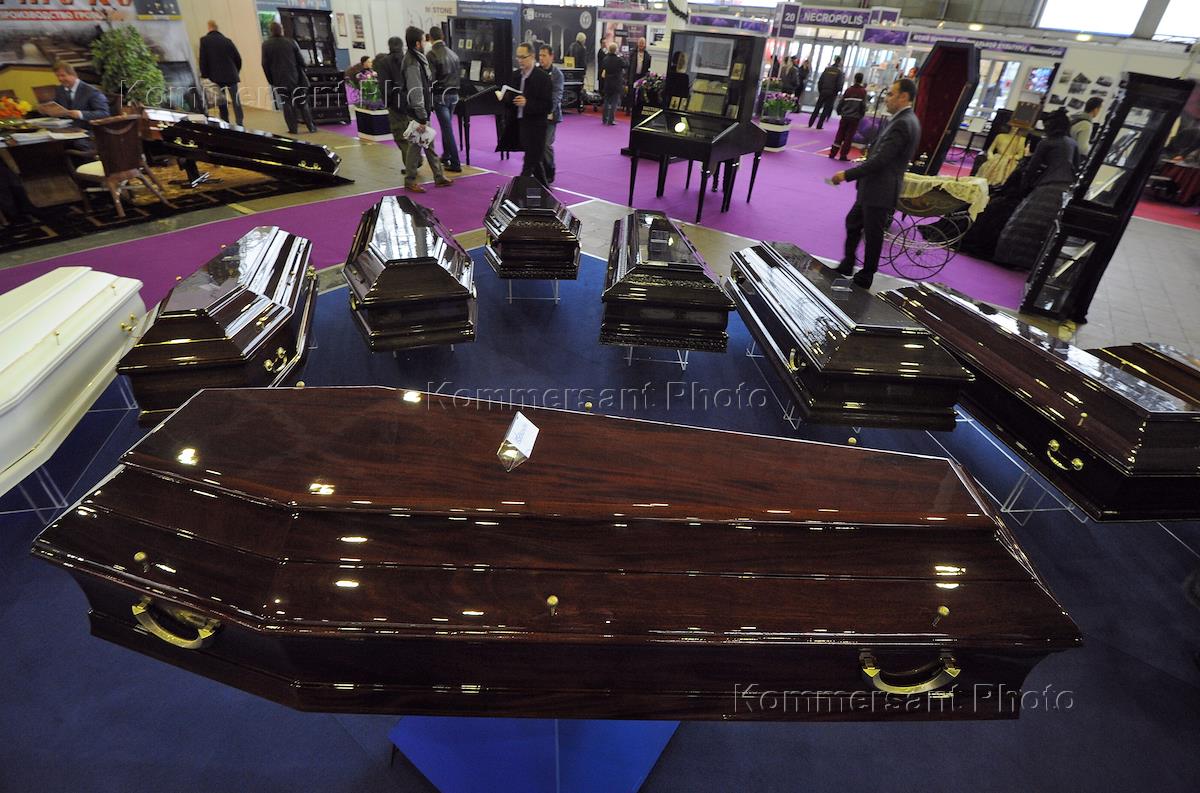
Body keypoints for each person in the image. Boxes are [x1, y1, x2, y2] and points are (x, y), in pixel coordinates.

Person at [829, 78, 921, 289]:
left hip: (880, 189)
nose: (886, 98)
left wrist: (847, 174)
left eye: (891, 94)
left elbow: (881, 160)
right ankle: (848, 264)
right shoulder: (905, 120)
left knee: (873, 234)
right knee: (853, 222)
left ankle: (866, 275)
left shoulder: (903, 123)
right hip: (874, 188)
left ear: (904, 96)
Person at [994, 109, 1079, 270]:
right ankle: (1033, 263)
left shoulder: (1047, 142)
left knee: (1021, 223)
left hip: (1047, 185)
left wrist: (1022, 188)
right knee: (1047, 228)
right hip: (1066, 189)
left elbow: (1031, 169)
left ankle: (1011, 258)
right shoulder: (1072, 143)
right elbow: (1076, 167)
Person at [394, 26, 451, 193]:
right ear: (418, 43)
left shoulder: (417, 58)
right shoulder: (412, 62)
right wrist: (421, 116)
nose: (426, 42)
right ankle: (410, 180)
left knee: (428, 144)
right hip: (417, 112)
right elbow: (416, 90)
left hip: (421, 110)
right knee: (415, 146)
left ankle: (438, 176)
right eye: (423, 40)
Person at [505, 41, 553, 182]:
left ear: (532, 56)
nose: (519, 60)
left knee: (529, 163)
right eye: (518, 57)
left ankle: (518, 189)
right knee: (534, 162)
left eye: (523, 57)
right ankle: (544, 189)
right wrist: (505, 98)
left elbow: (547, 106)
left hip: (537, 126)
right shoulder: (515, 76)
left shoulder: (543, 78)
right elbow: (511, 101)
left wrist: (527, 103)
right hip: (519, 124)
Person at [261, 21, 316, 134]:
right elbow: (301, 61)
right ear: (281, 30)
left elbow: (264, 64)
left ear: (271, 31)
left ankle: (293, 129)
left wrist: (271, 79)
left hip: (279, 79)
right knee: (302, 103)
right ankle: (311, 127)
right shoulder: (291, 42)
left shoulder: (266, 45)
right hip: (296, 78)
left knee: (286, 103)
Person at [427, 26, 462, 173]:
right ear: (442, 36)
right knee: (446, 127)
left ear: (430, 38)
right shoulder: (453, 54)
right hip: (454, 94)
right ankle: (446, 155)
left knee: (447, 129)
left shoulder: (431, 55)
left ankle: (455, 162)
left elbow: (431, 78)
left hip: (440, 95)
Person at [199, 21, 244, 126]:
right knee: (236, 100)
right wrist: (236, 71)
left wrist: (205, 75)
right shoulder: (227, 41)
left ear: (209, 28)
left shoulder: (204, 40)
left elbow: (203, 60)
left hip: (216, 76)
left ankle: (225, 122)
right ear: (217, 28)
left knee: (222, 101)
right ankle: (239, 122)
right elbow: (238, 58)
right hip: (231, 75)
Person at [45, 61, 109, 129]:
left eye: (63, 75)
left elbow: (104, 113)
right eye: (57, 76)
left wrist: (80, 114)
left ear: (73, 75)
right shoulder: (60, 89)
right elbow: (57, 107)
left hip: (85, 130)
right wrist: (47, 110)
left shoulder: (92, 91)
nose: (60, 79)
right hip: (63, 129)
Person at [539, 44, 564, 184]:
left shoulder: (557, 74)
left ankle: (550, 170)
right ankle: (538, 171)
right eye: (540, 55)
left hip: (550, 115)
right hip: (536, 115)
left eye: (544, 55)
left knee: (546, 144)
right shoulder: (536, 71)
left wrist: (547, 110)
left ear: (551, 57)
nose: (541, 58)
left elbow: (557, 95)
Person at [830, 72, 867, 161]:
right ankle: (843, 155)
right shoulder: (863, 92)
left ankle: (833, 153)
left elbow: (842, 102)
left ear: (854, 79)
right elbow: (863, 105)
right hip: (855, 118)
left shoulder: (848, 90)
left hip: (845, 116)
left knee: (840, 134)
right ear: (861, 80)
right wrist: (861, 115)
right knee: (849, 137)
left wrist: (839, 111)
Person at [808, 55, 844, 129]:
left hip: (823, 91)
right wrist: (838, 92)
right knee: (826, 109)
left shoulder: (827, 69)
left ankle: (810, 123)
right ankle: (819, 125)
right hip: (832, 93)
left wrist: (821, 90)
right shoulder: (839, 72)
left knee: (817, 107)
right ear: (840, 62)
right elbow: (839, 84)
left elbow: (820, 81)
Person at [599, 42, 625, 126]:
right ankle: (611, 120)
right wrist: (621, 56)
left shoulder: (605, 59)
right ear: (616, 50)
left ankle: (604, 119)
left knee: (606, 101)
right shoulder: (619, 59)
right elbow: (626, 64)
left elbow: (603, 68)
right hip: (616, 83)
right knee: (614, 102)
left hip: (607, 82)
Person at [625, 37, 651, 112]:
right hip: (632, 76)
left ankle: (637, 110)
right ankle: (628, 109)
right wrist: (627, 78)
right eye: (640, 43)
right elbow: (628, 67)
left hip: (642, 77)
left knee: (640, 94)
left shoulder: (647, 55)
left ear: (645, 44)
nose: (641, 45)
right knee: (631, 93)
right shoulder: (632, 53)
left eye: (642, 43)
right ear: (637, 44)